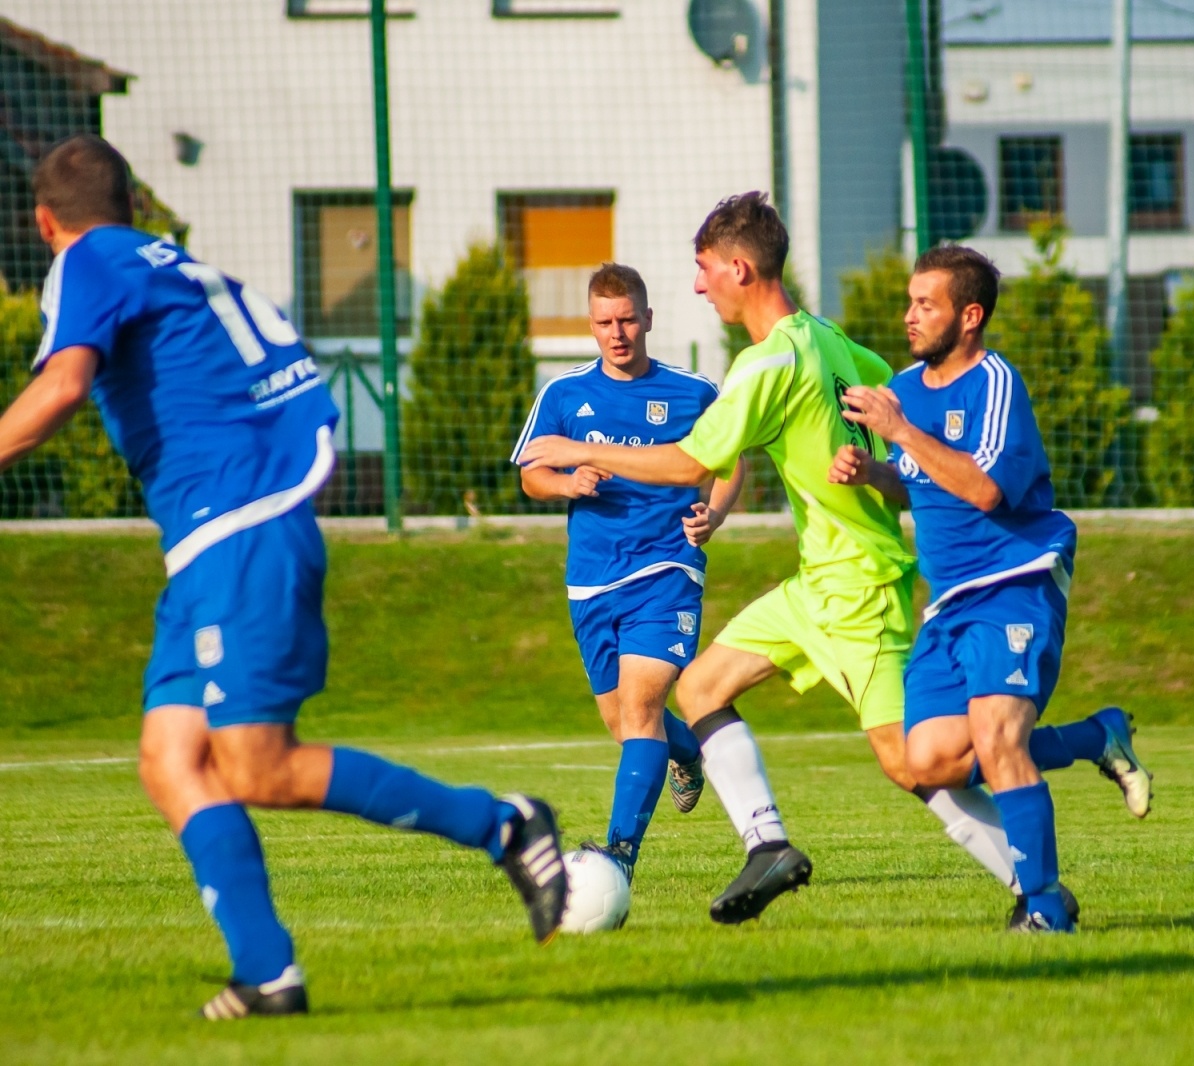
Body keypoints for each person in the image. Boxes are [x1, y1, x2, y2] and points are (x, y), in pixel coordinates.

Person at [0, 135, 567, 1018]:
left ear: (46, 222)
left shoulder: (86, 261)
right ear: (133, 203)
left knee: (256, 766)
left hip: (238, 532)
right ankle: (267, 974)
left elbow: (65, 385)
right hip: (213, 542)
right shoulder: (166, 263)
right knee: (169, 757)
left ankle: (502, 824)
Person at [518, 193, 1026, 923]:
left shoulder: (770, 363)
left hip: (859, 584)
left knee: (912, 763)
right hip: (815, 583)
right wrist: (880, 454)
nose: (697, 286)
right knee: (698, 691)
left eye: (703, 270)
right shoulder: (822, 337)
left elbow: (693, 460)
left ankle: (1034, 880)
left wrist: (578, 448)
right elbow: (891, 386)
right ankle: (768, 846)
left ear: (739, 267)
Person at [829, 244, 1153, 932]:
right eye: (910, 301)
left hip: (1015, 580)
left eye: (927, 304)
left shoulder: (996, 382)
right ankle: (1098, 737)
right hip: (948, 603)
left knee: (999, 738)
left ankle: (1044, 910)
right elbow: (920, 479)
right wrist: (873, 474)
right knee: (929, 761)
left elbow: (980, 488)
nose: (909, 316)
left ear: (969, 316)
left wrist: (898, 432)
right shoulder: (907, 391)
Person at [510, 262, 743, 882]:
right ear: (591, 325)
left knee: (642, 708)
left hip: (668, 568)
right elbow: (531, 474)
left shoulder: (692, 392)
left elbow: (730, 462)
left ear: (648, 320)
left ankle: (617, 859)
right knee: (624, 723)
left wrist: (713, 515)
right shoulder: (561, 395)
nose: (617, 333)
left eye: (627, 320)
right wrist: (567, 483)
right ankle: (686, 753)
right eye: (604, 323)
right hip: (591, 579)